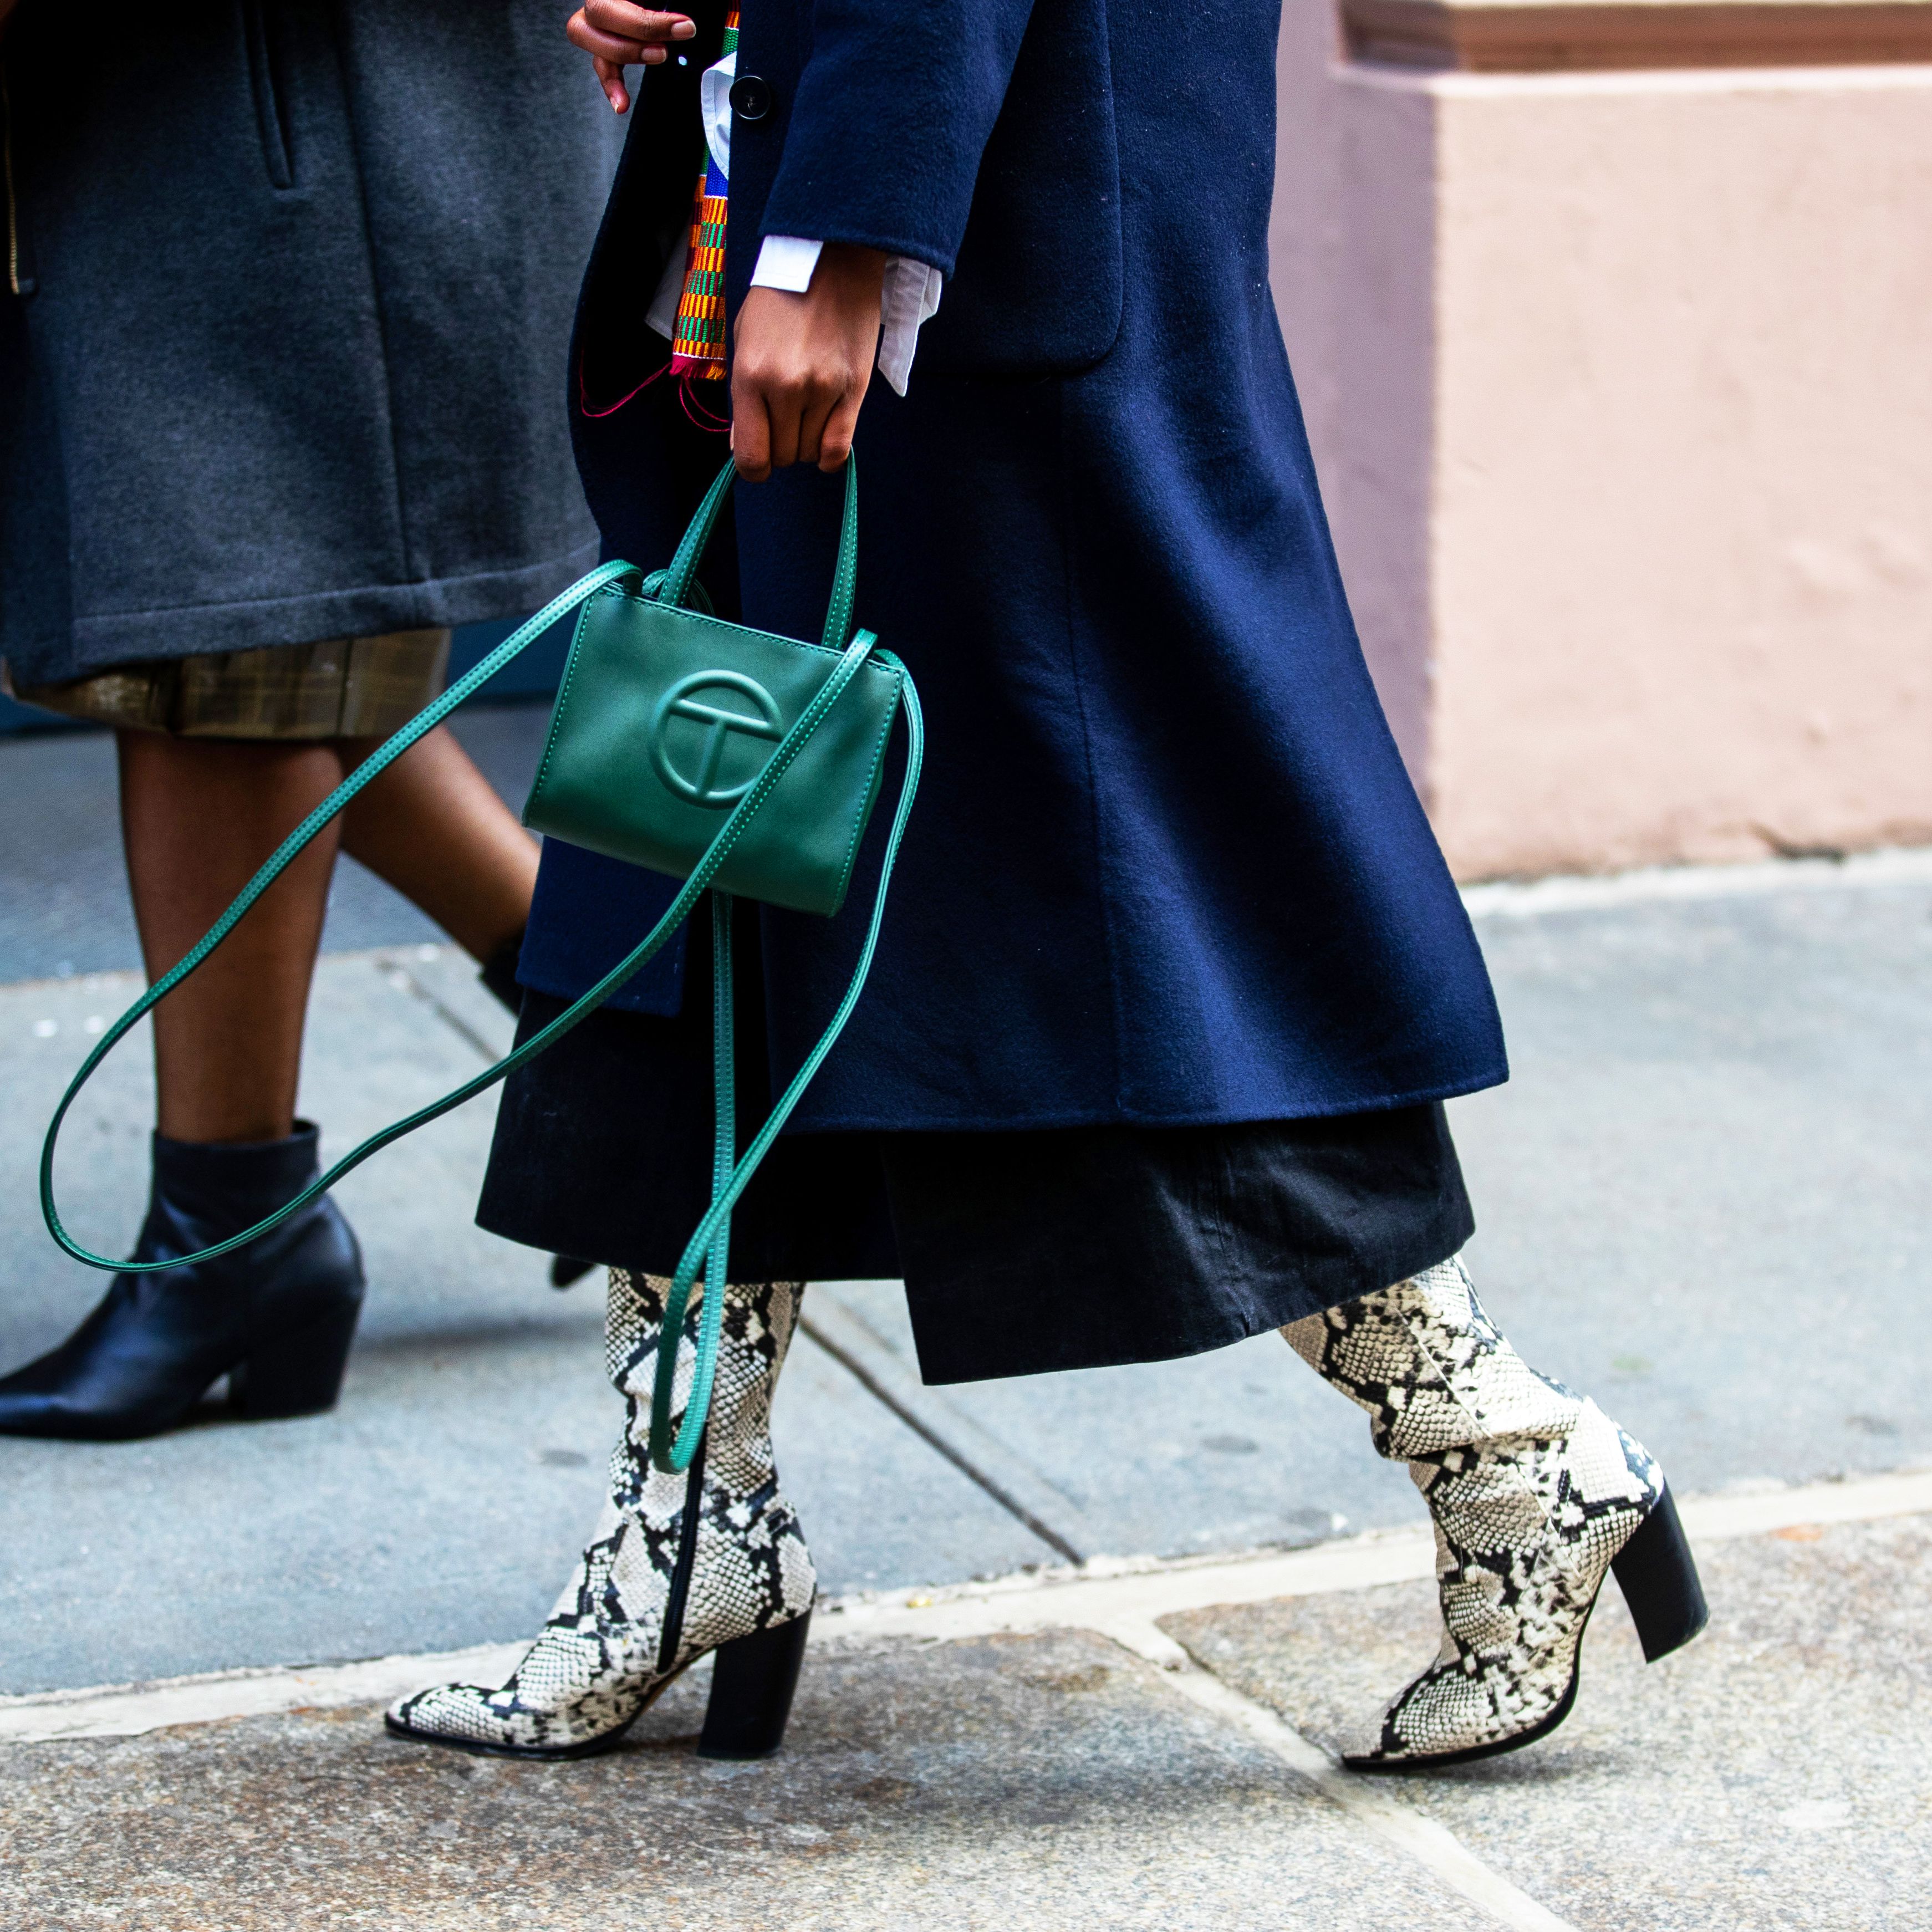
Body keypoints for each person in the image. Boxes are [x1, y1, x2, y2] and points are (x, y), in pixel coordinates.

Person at [383, 0, 1709, 1772]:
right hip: (852, 170)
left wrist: (847, 233)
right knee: (699, 872)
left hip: (970, 251)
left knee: (1117, 943)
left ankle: (1514, 1460)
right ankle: (688, 1525)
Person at [0, 0, 619, 1439]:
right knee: (220, 629)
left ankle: (233, 1231)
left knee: (229, 625)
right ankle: (620, 1030)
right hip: (209, 112)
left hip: (305, 112)